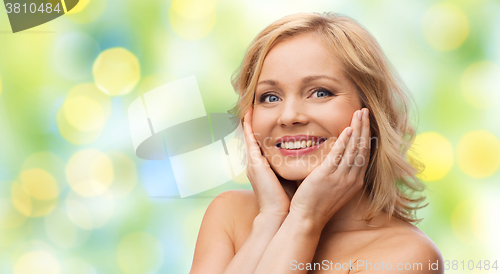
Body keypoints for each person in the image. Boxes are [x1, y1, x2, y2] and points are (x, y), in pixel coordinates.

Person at [190, 12, 443, 274]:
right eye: (270, 97)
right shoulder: (228, 215)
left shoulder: (408, 255)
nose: (288, 116)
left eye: (320, 92)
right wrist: (270, 219)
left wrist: (304, 219)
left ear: (370, 109)